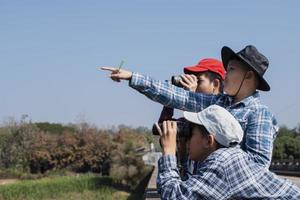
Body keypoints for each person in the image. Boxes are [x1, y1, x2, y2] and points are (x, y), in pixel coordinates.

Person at [101, 45, 278, 168]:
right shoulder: (218, 102)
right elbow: (178, 96)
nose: (225, 76)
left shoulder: (259, 114)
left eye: (231, 69)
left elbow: (258, 165)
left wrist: (220, 150)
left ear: (248, 76)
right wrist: (133, 77)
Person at [155, 105, 300, 200]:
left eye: (191, 133)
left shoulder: (222, 163)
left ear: (208, 141)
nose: (187, 141)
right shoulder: (230, 156)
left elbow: (173, 195)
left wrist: (168, 152)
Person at [155, 58, 225, 179]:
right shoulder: (188, 118)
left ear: (216, 84)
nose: (193, 84)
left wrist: (191, 96)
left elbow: (200, 122)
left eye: (199, 81)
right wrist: (170, 99)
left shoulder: (223, 114)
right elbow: (164, 127)